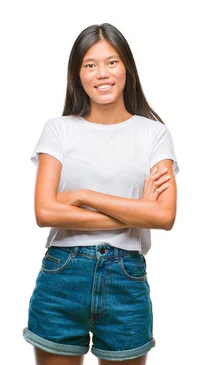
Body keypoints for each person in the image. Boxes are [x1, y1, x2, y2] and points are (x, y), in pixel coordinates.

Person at [23, 23, 178, 365]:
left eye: (112, 62)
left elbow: (164, 216)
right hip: (62, 277)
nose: (102, 73)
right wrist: (135, 210)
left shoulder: (154, 134)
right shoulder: (58, 129)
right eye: (90, 65)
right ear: (77, 74)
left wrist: (81, 195)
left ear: (127, 69)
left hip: (126, 279)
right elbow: (44, 213)